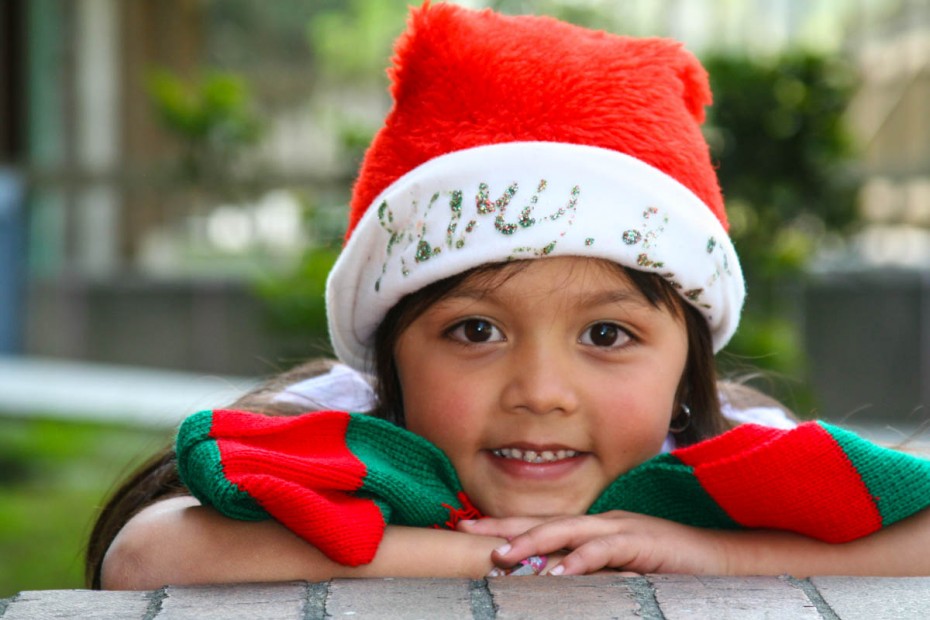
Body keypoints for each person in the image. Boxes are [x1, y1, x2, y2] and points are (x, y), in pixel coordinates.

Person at [87, 2, 930, 590]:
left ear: (688, 362)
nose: (541, 392)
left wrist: (700, 551)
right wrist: (503, 557)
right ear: (388, 349)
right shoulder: (340, 436)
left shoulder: (738, 460)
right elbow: (145, 558)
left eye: (605, 335)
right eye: (476, 329)